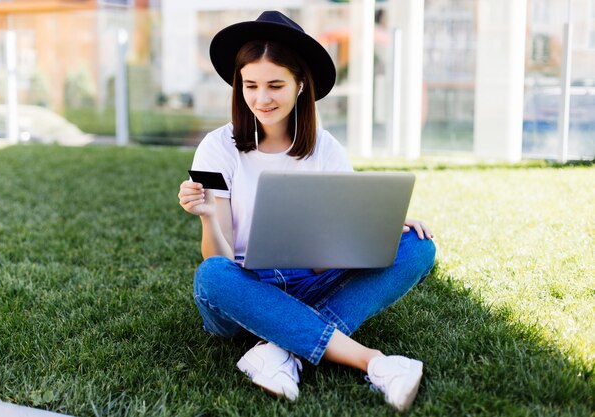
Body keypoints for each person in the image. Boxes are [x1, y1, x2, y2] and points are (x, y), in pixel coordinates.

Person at [178, 11, 436, 412]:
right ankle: (372, 361)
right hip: (244, 287)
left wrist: (378, 227)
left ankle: (278, 350)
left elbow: (332, 253)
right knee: (212, 276)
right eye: (251, 85)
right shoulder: (217, 147)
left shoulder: (326, 149)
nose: (261, 99)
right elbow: (218, 258)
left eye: (275, 85)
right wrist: (208, 214)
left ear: (300, 85)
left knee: (418, 248)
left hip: (309, 278)